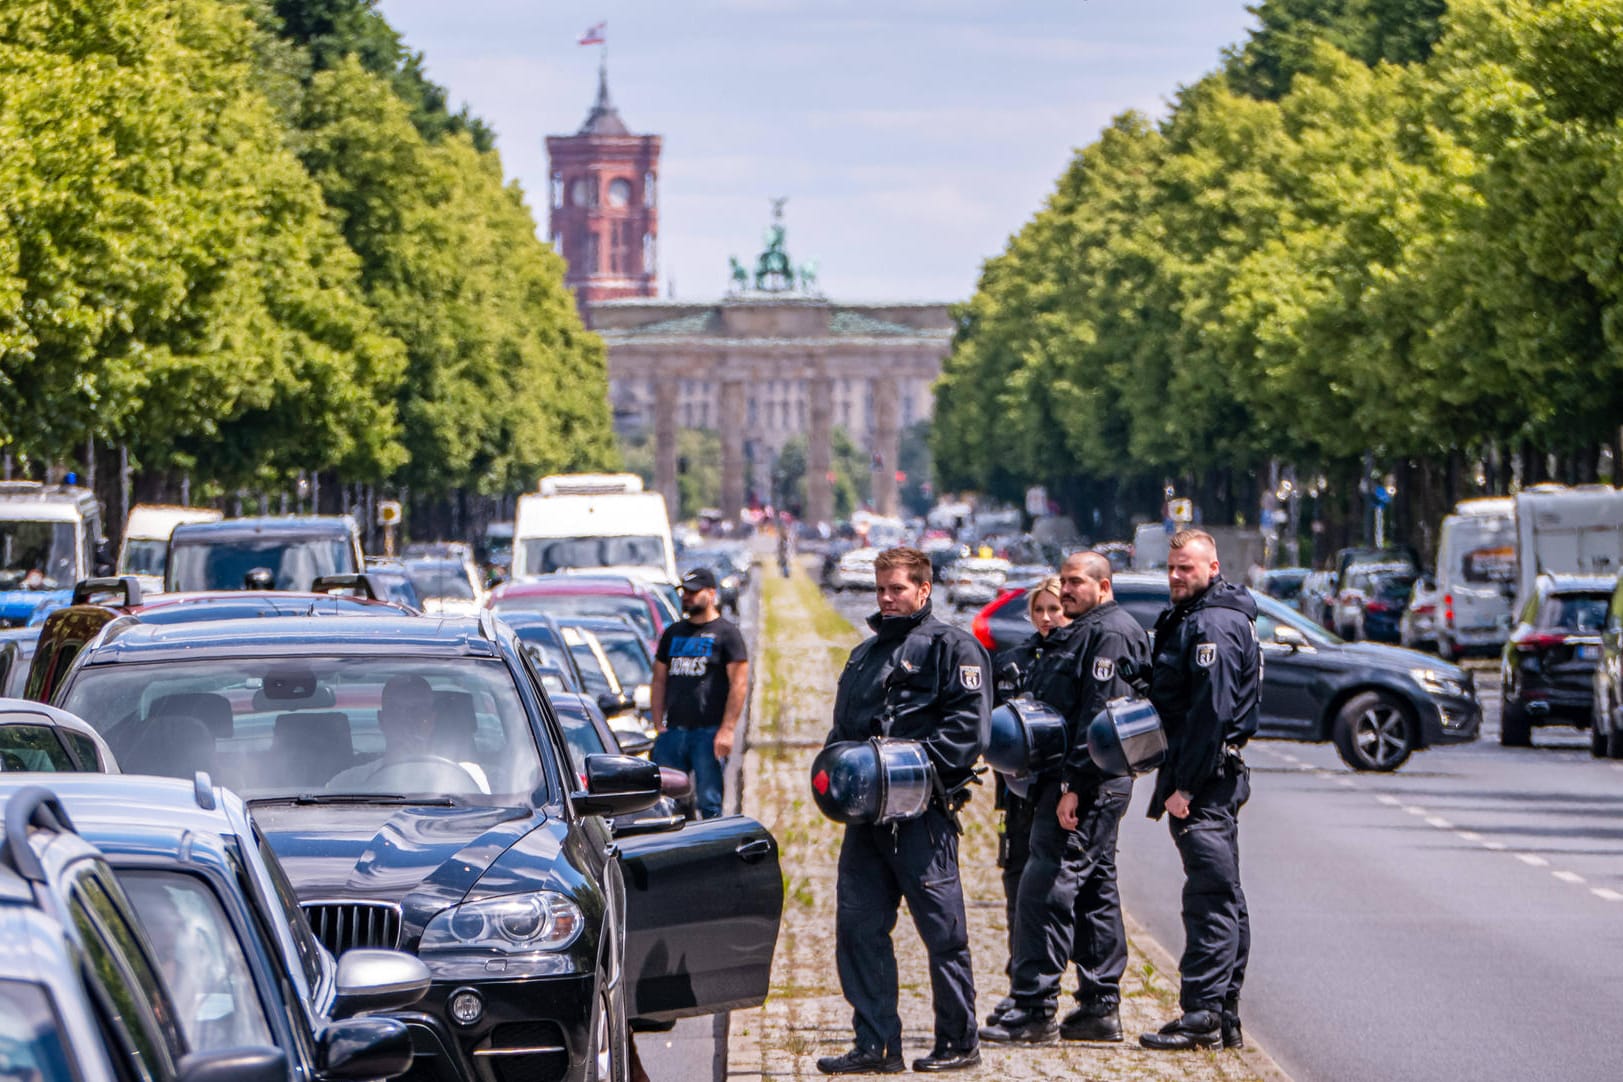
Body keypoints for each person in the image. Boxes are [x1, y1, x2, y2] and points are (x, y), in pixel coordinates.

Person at [817, 547, 990, 1075]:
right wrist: (840, 778)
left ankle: (959, 1041)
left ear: (923, 589)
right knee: (859, 928)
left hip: (923, 818)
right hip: (868, 824)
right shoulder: (864, 656)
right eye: (881, 589)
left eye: (897, 589)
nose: (888, 599)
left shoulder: (954, 648)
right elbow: (843, 733)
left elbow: (968, 734)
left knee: (944, 934)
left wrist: (897, 771)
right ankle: (875, 1045)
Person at [981, 552, 1149, 1046]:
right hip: (1077, 780)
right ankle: (1099, 1006)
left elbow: (1100, 718)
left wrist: (1075, 785)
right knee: (1095, 889)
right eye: (1065, 581)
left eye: (1076, 582)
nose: (1067, 589)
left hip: (1086, 783)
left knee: (1045, 886)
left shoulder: (1109, 633)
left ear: (1104, 585)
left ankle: (1035, 1007)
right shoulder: (1085, 629)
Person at [1139, 529, 1260, 1052]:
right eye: (1171, 567)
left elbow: (1211, 713)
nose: (1174, 576)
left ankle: (1204, 1015)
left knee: (1209, 897)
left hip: (1205, 781)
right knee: (1224, 895)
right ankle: (1223, 1014)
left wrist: (1186, 785)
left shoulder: (1212, 624)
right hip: (1210, 776)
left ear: (1213, 567)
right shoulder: (1209, 617)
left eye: (1185, 568)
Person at [985, 575, 1068, 1023]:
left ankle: (1045, 989)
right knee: (1016, 885)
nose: (1047, 619)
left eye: (1055, 609)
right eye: (1040, 611)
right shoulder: (1014, 662)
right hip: (1014, 795)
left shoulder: (1073, 660)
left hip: (1055, 794)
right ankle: (1019, 980)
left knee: (1050, 892)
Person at [649, 566, 749, 819]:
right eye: (685, 592)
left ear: (711, 593)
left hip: (709, 732)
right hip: (675, 731)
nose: (687, 597)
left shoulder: (727, 634)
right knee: (667, 804)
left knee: (710, 803)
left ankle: (710, 853)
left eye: (694, 592)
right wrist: (658, 721)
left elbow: (739, 684)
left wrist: (727, 730)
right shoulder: (673, 633)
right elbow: (659, 679)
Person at [328, 674, 486, 792]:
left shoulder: (468, 776)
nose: (408, 722)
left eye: (418, 712)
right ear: (382, 720)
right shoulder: (347, 784)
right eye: (397, 713)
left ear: (432, 719)